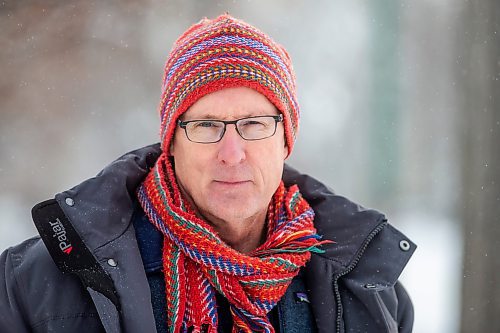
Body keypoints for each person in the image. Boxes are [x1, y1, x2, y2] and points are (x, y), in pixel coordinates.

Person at [0, 14, 416, 333]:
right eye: (205, 126)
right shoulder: (37, 285)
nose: (232, 154)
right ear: (172, 143)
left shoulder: (369, 289)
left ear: (286, 140)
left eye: (254, 124)